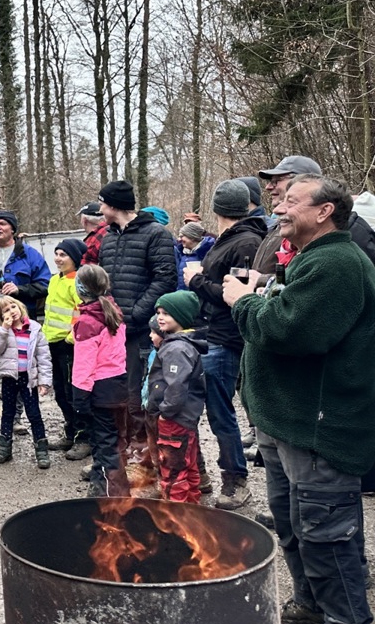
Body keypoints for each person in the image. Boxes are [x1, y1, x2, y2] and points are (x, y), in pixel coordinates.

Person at [225, 174, 375, 624]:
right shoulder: (308, 258)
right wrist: (264, 292)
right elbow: (288, 309)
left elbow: (290, 330)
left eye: (291, 201)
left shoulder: (337, 263)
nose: (280, 208)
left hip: (317, 425)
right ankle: (313, 605)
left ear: (325, 211)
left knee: (326, 529)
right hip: (284, 422)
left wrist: (242, 301)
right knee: (293, 523)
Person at [183, 179, 267, 509]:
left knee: (221, 414)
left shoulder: (246, 242)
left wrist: (197, 280)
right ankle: (198, 474)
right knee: (195, 407)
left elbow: (237, 297)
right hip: (208, 333)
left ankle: (236, 481)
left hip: (226, 337)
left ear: (218, 209)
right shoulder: (228, 239)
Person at [95, 179, 177, 463]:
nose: (100, 209)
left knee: (140, 398)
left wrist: (135, 314)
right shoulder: (108, 237)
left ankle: (148, 460)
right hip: (112, 332)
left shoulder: (156, 234)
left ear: (114, 205)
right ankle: (126, 453)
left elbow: (165, 279)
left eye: (103, 203)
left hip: (141, 332)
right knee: (117, 396)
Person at [70, 264, 130, 498]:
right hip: (118, 384)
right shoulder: (112, 310)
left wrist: (79, 398)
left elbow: (84, 365)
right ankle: (104, 478)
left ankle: (109, 490)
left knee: (102, 440)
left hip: (98, 389)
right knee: (113, 438)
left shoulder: (87, 322)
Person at [149, 291, 206, 504]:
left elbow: (176, 388)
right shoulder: (179, 343)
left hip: (174, 420)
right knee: (188, 465)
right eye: (158, 312)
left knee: (173, 473)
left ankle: (177, 521)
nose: (160, 318)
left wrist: (165, 413)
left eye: (167, 313)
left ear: (181, 317)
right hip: (185, 419)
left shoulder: (177, 349)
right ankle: (194, 514)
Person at [0, 296, 53, 469]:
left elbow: (44, 357)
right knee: (7, 413)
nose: (11, 312)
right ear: (1, 316)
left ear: (20, 307)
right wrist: (4, 328)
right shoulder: (1, 331)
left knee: (34, 413)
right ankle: (5, 447)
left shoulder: (34, 329)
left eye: (13, 307)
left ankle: (41, 449)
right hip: (9, 378)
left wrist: (44, 381)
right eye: (6, 310)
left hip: (28, 378)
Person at [43, 238, 91, 460]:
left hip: (70, 345)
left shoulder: (77, 282)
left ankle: (84, 437)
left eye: (64, 255)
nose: (58, 259)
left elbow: (82, 310)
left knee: (74, 393)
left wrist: (74, 335)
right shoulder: (54, 280)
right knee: (60, 392)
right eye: (57, 254)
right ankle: (70, 432)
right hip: (52, 342)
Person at [175, 221, 215, 290]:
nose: (179, 239)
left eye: (182, 236)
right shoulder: (181, 253)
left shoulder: (208, 254)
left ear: (192, 237)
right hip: (180, 295)